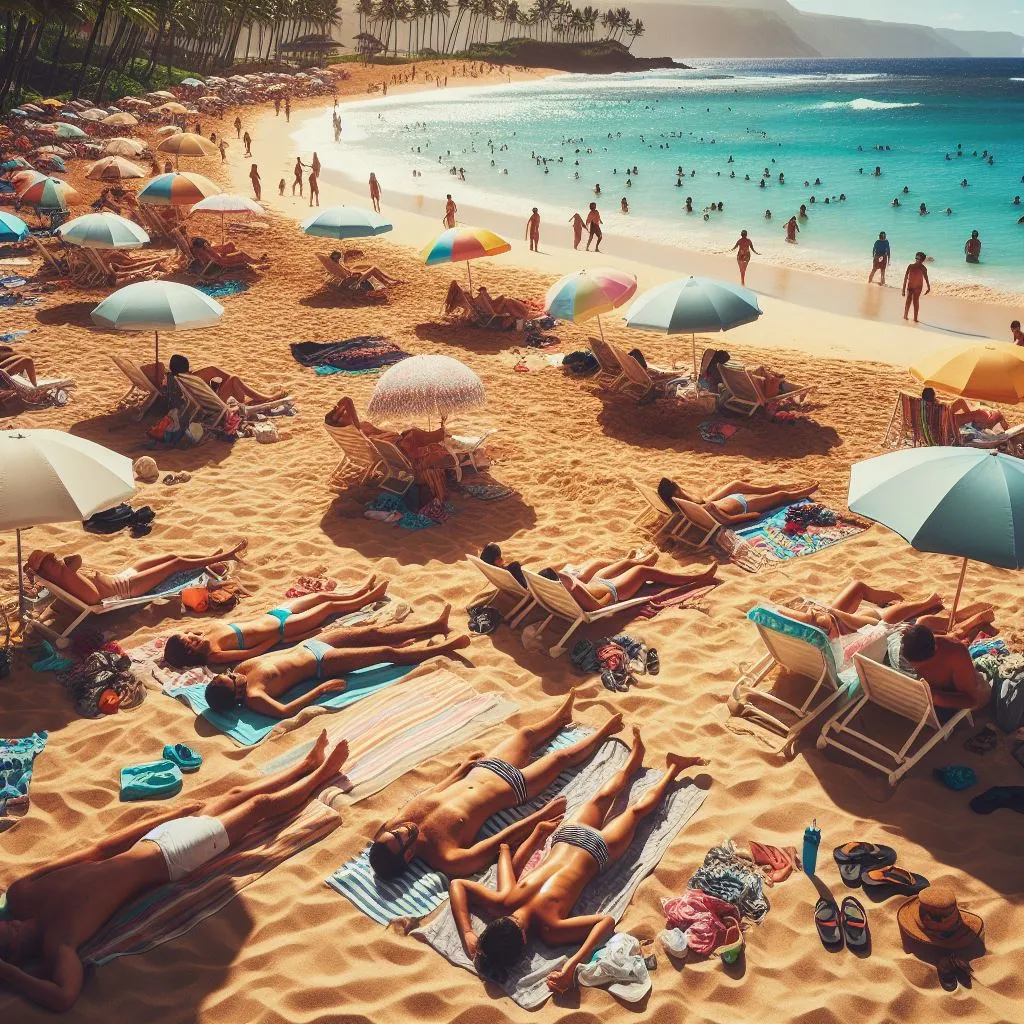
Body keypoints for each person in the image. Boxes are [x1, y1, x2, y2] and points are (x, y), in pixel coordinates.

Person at [0, 730, 350, 1011]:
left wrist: (165, 817)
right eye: (4, 935)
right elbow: (63, 996)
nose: (5, 924)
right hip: (173, 858)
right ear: (14, 956)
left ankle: (305, 763)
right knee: (258, 806)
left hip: (151, 841)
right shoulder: (59, 944)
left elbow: (99, 850)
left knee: (239, 791)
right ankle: (322, 774)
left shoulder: (22, 894)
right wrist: (9, 976)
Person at [450, 729, 708, 992]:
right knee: (602, 797)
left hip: (597, 851)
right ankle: (635, 761)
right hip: (567, 836)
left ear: (525, 940)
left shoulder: (550, 929)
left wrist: (573, 964)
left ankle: (673, 768)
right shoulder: (504, 900)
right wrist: (469, 932)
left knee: (636, 812)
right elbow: (459, 884)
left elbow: (604, 922)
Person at [369, 692, 623, 879]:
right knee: (559, 759)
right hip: (513, 788)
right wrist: (539, 817)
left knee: (525, 735)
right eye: (401, 838)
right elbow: (498, 841)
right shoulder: (445, 857)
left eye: (394, 832)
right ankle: (602, 734)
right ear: (408, 855)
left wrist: (460, 769)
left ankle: (561, 718)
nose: (403, 829)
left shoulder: (396, 823)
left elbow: (433, 792)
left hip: (483, 769)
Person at [202, 606, 469, 719]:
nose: (232, 673)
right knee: (386, 652)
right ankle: (447, 647)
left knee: (370, 633)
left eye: (226, 673)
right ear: (236, 692)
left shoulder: (240, 670)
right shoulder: (254, 696)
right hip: (321, 662)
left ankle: (433, 625)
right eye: (231, 678)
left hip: (308, 646)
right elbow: (285, 712)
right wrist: (322, 689)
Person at [163, 581, 390, 668]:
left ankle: (356, 592)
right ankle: (366, 599)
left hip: (272, 615)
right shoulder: (214, 654)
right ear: (191, 652)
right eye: (190, 642)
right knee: (329, 607)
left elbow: (243, 622)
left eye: (188, 635)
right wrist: (279, 638)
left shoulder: (207, 631)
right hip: (282, 628)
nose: (192, 636)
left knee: (322, 597)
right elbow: (252, 652)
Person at [25, 542, 246, 606]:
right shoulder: (65, 577)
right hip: (128, 588)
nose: (54, 558)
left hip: (122, 576)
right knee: (175, 563)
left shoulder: (62, 573)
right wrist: (66, 569)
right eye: (50, 559)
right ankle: (224, 557)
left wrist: (65, 566)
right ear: (47, 570)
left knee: (169, 555)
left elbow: (77, 560)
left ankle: (208, 556)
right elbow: (93, 597)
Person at [555, 552, 717, 612]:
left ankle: (644, 560)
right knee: (642, 573)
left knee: (623, 564)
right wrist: (607, 597)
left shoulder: (560, 588)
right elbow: (597, 606)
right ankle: (698, 577)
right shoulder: (574, 589)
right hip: (613, 589)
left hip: (596, 582)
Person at [777, 582, 946, 640]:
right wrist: (828, 613)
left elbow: (777, 610)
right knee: (882, 618)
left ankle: (923, 604)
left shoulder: (792, 634)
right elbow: (809, 619)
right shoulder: (824, 624)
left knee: (858, 588)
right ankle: (927, 603)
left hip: (840, 627)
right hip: (855, 632)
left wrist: (822, 611)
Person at [898, 623, 991, 713]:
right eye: (912, 662)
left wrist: (934, 696)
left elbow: (972, 700)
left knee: (984, 692)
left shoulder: (955, 654)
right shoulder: (905, 649)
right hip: (930, 703)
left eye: (918, 663)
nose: (915, 666)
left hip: (939, 697)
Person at [657, 477, 818, 526]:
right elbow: (728, 520)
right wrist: (753, 516)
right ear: (676, 491)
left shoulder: (680, 504)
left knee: (736, 485)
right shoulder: (704, 507)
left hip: (729, 502)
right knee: (781, 495)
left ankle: (770, 488)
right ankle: (801, 493)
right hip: (743, 507)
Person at [166, 352, 282, 406]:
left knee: (225, 378)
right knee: (234, 379)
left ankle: (244, 398)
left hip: (197, 405)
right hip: (210, 406)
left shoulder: (172, 379)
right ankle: (266, 398)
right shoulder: (192, 378)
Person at [921, 387, 1008, 431]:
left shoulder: (926, 405)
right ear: (933, 396)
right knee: (976, 415)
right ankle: (994, 418)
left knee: (962, 403)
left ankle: (973, 418)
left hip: (948, 419)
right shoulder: (936, 406)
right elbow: (943, 414)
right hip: (948, 421)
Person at [902, 251, 930, 322]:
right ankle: (905, 316)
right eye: (917, 258)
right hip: (910, 286)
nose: (918, 260)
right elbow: (905, 278)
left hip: (918, 287)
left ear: (922, 260)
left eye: (920, 259)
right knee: (908, 300)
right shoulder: (910, 266)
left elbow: (926, 278)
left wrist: (928, 287)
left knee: (915, 301)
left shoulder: (923, 268)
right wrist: (903, 289)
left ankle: (915, 318)